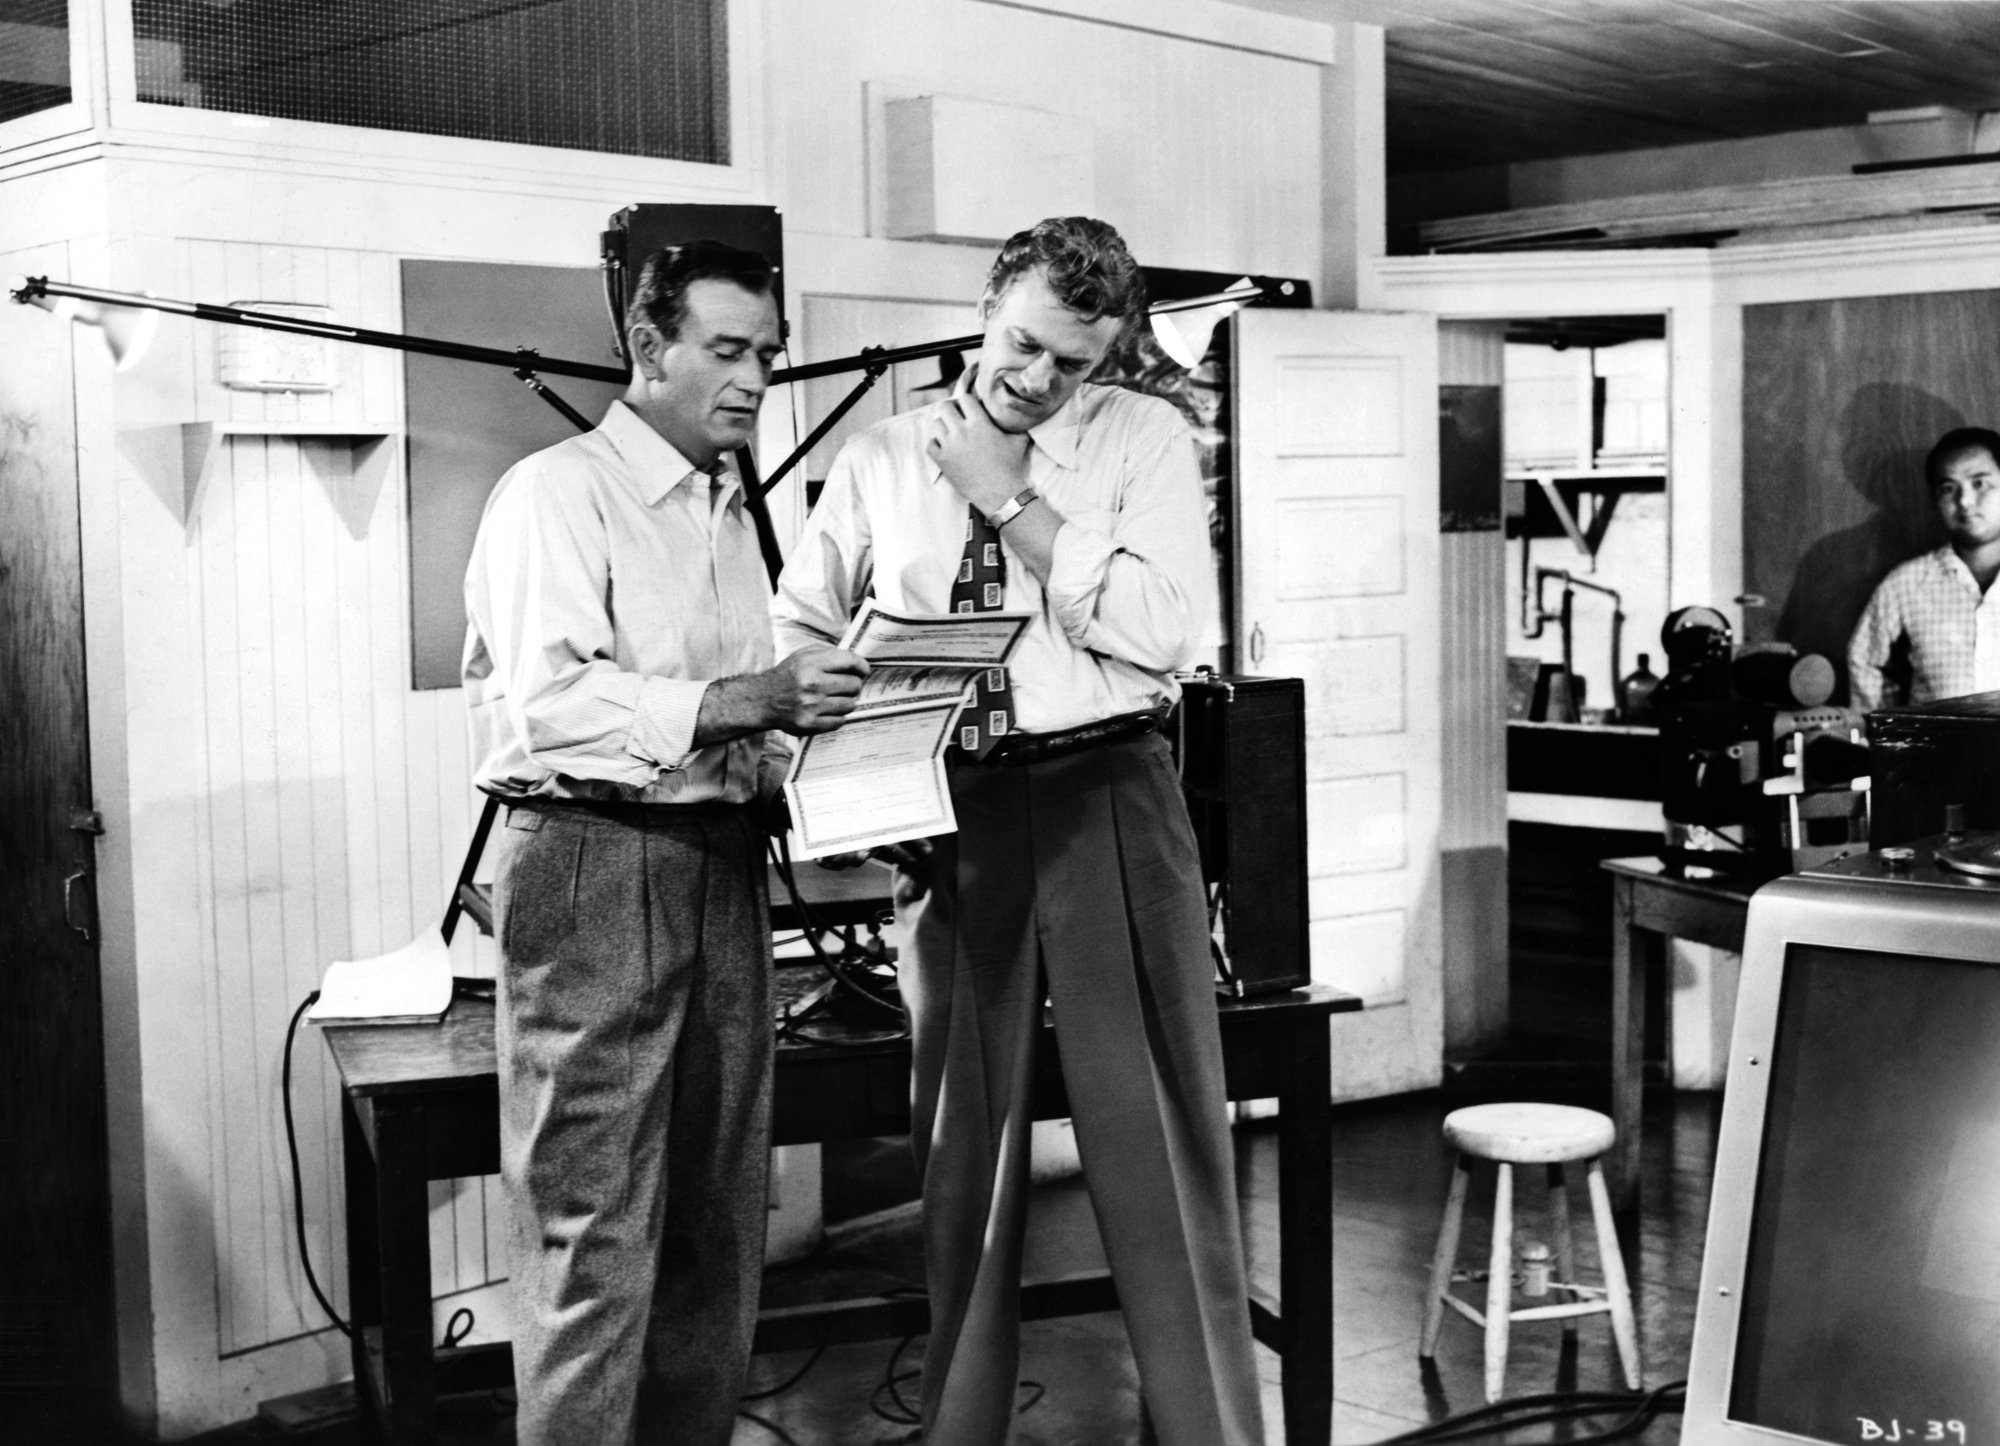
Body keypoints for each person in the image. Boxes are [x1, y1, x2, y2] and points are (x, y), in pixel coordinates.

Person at [772, 216, 1264, 1446]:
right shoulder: (882, 455)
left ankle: (1210, 1433)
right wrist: (830, 721)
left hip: (1109, 795)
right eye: (1022, 345)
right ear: (989, 304)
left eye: (1071, 363)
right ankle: (960, 1429)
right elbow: (798, 623)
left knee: (1161, 1146)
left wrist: (1011, 499)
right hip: (955, 816)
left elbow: (1156, 630)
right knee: (962, 1163)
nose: (1037, 379)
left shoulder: (1145, 439)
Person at [461, 240, 869, 1446]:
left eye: (767, 357)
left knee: (715, 1227)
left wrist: (837, 762)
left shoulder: (732, 511)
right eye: (728, 352)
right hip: (595, 863)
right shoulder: (557, 493)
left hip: (718, 861)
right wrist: (748, 703)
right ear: (649, 348)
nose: (753, 381)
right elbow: (546, 707)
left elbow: (742, 710)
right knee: (594, 1237)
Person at [1849, 426, 2000, 710]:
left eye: (1979, 483)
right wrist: (1890, 739)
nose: (1965, 501)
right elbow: (1865, 662)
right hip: (1937, 752)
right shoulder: (1907, 583)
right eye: (1948, 488)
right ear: (1934, 500)